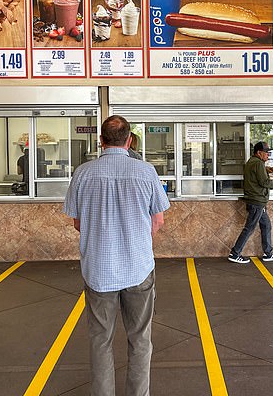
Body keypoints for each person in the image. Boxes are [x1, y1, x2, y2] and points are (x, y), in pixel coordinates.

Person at [63, 115, 170, 396]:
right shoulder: (146, 172)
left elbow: (77, 223)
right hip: (139, 269)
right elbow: (157, 221)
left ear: (101, 141)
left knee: (100, 340)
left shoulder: (83, 173)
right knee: (140, 339)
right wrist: (134, 241)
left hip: (98, 271)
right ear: (130, 140)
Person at [228, 141, 273, 264]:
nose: (268, 156)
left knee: (266, 225)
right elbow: (264, 182)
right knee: (249, 228)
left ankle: (268, 253)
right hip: (257, 201)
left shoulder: (252, 162)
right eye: (266, 153)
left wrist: (266, 170)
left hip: (257, 200)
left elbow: (257, 176)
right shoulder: (258, 163)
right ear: (259, 153)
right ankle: (235, 253)